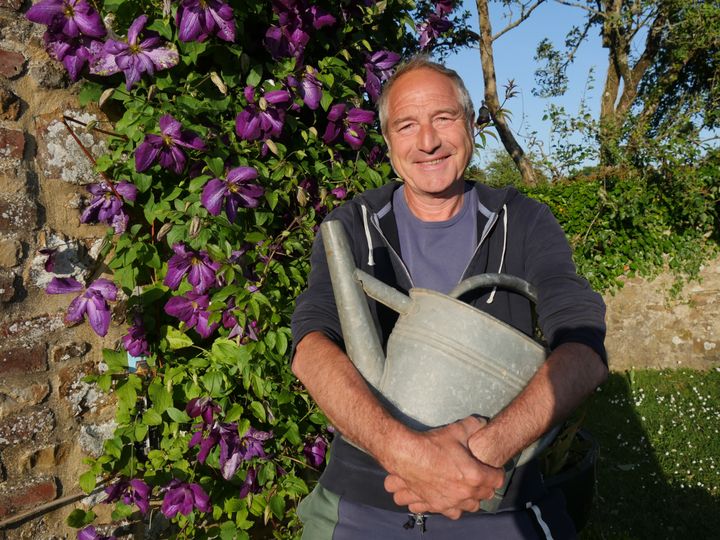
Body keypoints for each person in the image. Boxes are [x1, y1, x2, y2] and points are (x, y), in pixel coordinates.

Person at [290, 56, 608, 539]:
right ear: (389, 141)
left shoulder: (523, 221)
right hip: (363, 496)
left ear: (472, 125)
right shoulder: (352, 225)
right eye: (407, 125)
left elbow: (583, 344)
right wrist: (407, 455)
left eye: (444, 118)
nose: (428, 141)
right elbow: (311, 346)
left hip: (495, 495)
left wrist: (483, 453)